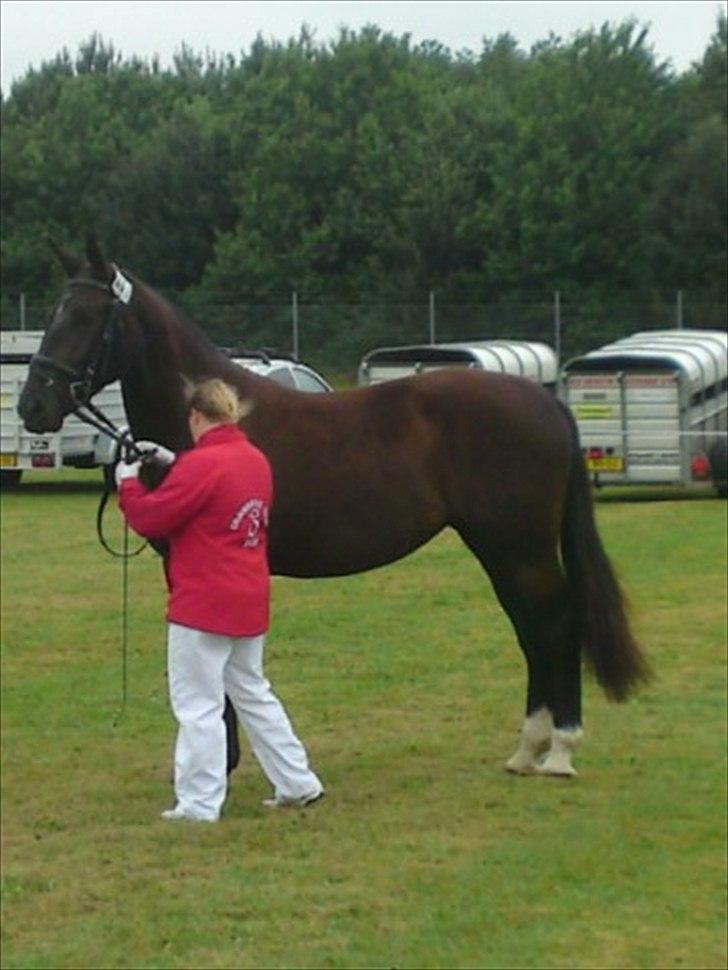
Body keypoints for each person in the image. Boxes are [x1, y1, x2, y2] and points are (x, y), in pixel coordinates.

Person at [116, 377, 324, 822]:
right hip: (248, 597)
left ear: (195, 416)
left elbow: (152, 517)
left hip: (203, 603)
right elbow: (210, 493)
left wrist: (128, 481)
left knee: (198, 704)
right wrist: (173, 462)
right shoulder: (254, 460)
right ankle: (296, 780)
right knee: (253, 692)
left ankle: (199, 802)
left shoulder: (202, 464)